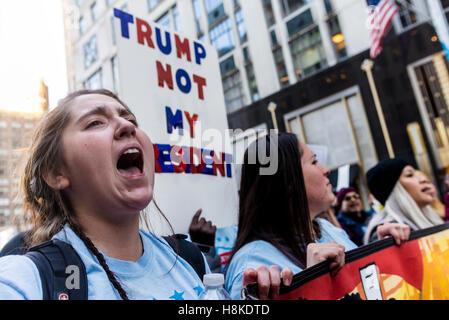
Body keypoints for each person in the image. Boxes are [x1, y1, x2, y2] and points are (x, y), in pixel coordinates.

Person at [0, 89, 280, 300]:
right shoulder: (30, 280)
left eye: (129, 118)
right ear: (56, 172)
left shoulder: (190, 260)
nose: (127, 126)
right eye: (95, 122)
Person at [225, 133, 410, 300]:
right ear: (288, 182)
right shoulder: (253, 266)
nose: (326, 169)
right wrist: (311, 281)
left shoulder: (328, 229)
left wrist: (381, 254)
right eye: (314, 162)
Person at [364, 159, 444, 244]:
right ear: (394, 190)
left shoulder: (431, 219)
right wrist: (385, 244)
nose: (424, 179)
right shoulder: (391, 232)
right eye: (409, 175)